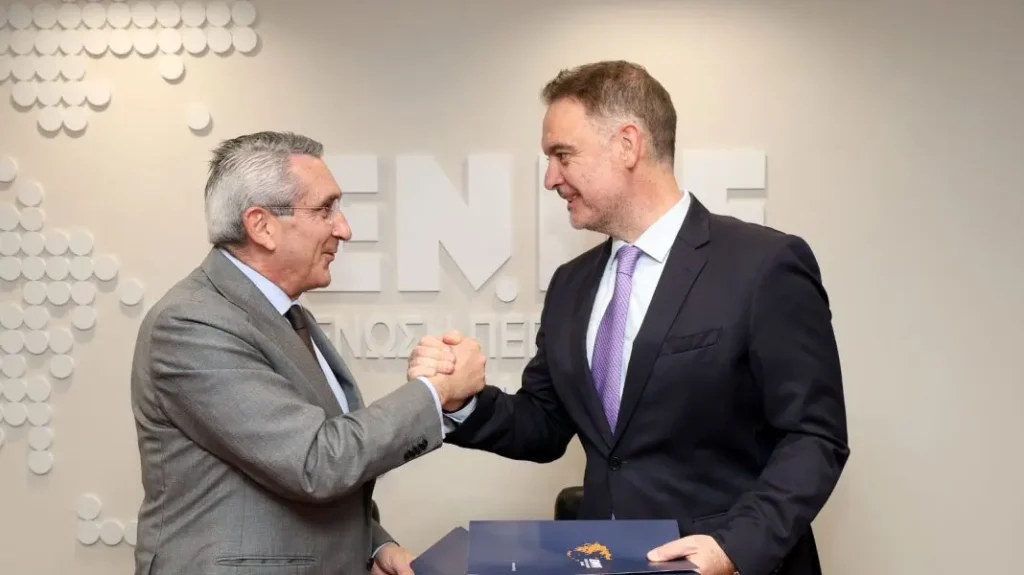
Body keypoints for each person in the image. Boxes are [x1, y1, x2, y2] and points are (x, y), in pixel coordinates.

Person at [408, 61, 850, 575]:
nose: (550, 179)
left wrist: (732, 547)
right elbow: (544, 423)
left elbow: (814, 437)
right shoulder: (571, 284)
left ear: (627, 144)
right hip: (607, 561)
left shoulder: (763, 265)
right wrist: (462, 400)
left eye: (562, 155)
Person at [130, 131, 486, 575]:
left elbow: (282, 474)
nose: (344, 229)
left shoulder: (284, 314)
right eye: (324, 209)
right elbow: (315, 462)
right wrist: (436, 392)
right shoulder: (191, 324)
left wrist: (374, 547)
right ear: (261, 225)